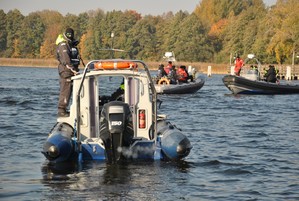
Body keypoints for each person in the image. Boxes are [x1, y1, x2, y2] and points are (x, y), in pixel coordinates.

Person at [56, 27, 80, 117]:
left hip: (72, 71)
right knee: (65, 91)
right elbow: (65, 59)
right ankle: (61, 110)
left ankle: (72, 109)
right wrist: (72, 69)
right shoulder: (63, 45)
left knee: (73, 91)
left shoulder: (71, 45)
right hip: (66, 72)